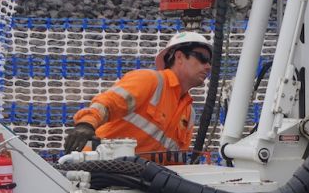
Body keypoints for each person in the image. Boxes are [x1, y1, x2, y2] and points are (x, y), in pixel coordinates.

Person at [64, 31, 213, 164]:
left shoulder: (188, 113)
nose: (208, 66)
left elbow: (175, 160)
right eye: (202, 58)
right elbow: (108, 103)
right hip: (99, 169)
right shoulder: (149, 80)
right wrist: (86, 124)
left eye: (210, 62)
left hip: (139, 181)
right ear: (179, 56)